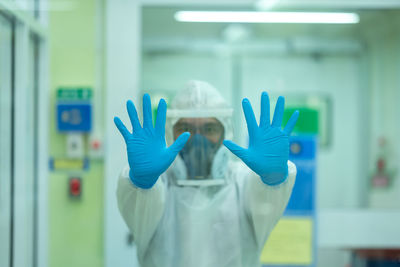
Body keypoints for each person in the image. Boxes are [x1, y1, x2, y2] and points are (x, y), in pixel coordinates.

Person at [114, 80, 299, 267]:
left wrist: (273, 180)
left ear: (225, 132)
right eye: (185, 129)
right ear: (170, 133)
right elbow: (137, 208)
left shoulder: (242, 182)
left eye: (209, 129)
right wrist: (141, 182)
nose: (197, 140)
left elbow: (266, 204)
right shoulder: (156, 186)